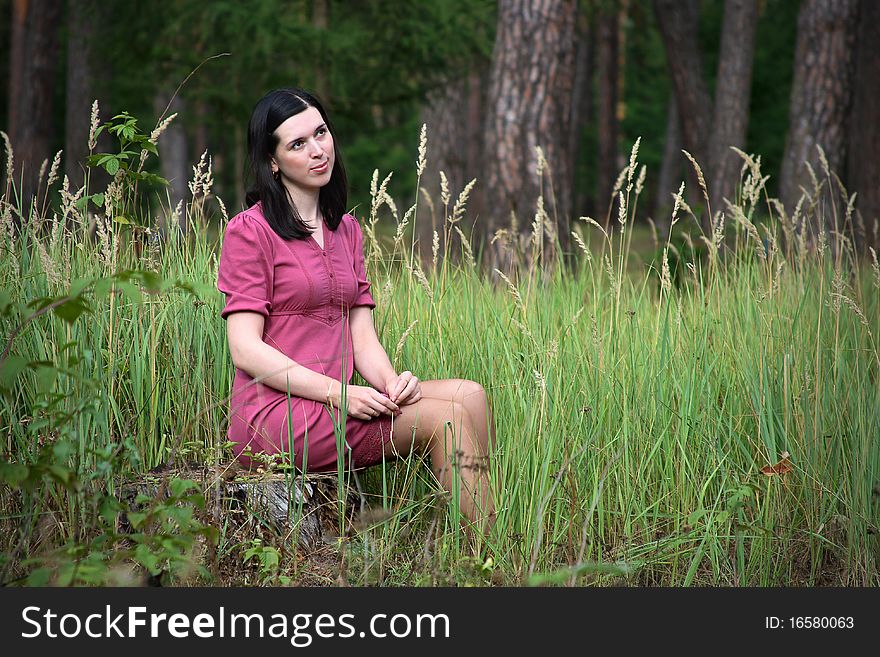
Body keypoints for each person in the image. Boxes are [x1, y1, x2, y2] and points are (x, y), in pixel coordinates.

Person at [217, 88, 496, 530]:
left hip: (335, 402)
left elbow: (362, 338)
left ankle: (475, 541)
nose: (317, 150)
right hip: (275, 413)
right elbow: (245, 350)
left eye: (320, 133)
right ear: (272, 162)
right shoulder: (250, 232)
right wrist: (339, 394)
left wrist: (391, 383)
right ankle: (489, 559)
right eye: (297, 144)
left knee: (471, 396)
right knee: (445, 418)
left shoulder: (345, 229)